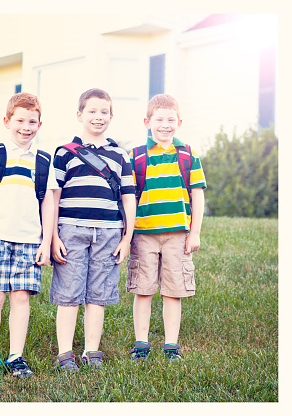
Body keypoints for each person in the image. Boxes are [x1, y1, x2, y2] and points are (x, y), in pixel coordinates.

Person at [0, 92, 58, 380]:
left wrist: (46, 242)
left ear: (40, 124)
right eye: (20, 120)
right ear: (7, 121)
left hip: (30, 240)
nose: (26, 126)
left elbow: (49, 203)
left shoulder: (44, 161)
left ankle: (16, 357)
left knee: (21, 298)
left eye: (32, 121)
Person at [50, 88, 136, 372]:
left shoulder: (120, 155)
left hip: (109, 233)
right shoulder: (64, 153)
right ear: (79, 115)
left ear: (111, 116)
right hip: (70, 230)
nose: (98, 117)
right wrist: (52, 237)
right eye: (92, 111)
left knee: (98, 294)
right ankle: (65, 353)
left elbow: (128, 198)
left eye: (104, 112)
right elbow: (54, 197)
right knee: (69, 292)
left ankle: (91, 350)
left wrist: (127, 237)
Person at [126, 94, 206, 362]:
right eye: (159, 119)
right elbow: (130, 198)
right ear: (147, 122)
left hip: (177, 234)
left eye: (171, 119)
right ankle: (141, 344)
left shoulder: (187, 154)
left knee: (174, 290)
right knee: (144, 288)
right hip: (144, 234)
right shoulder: (136, 156)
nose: (165, 124)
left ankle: (171, 346)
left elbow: (197, 195)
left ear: (179, 122)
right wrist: (128, 234)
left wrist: (194, 232)